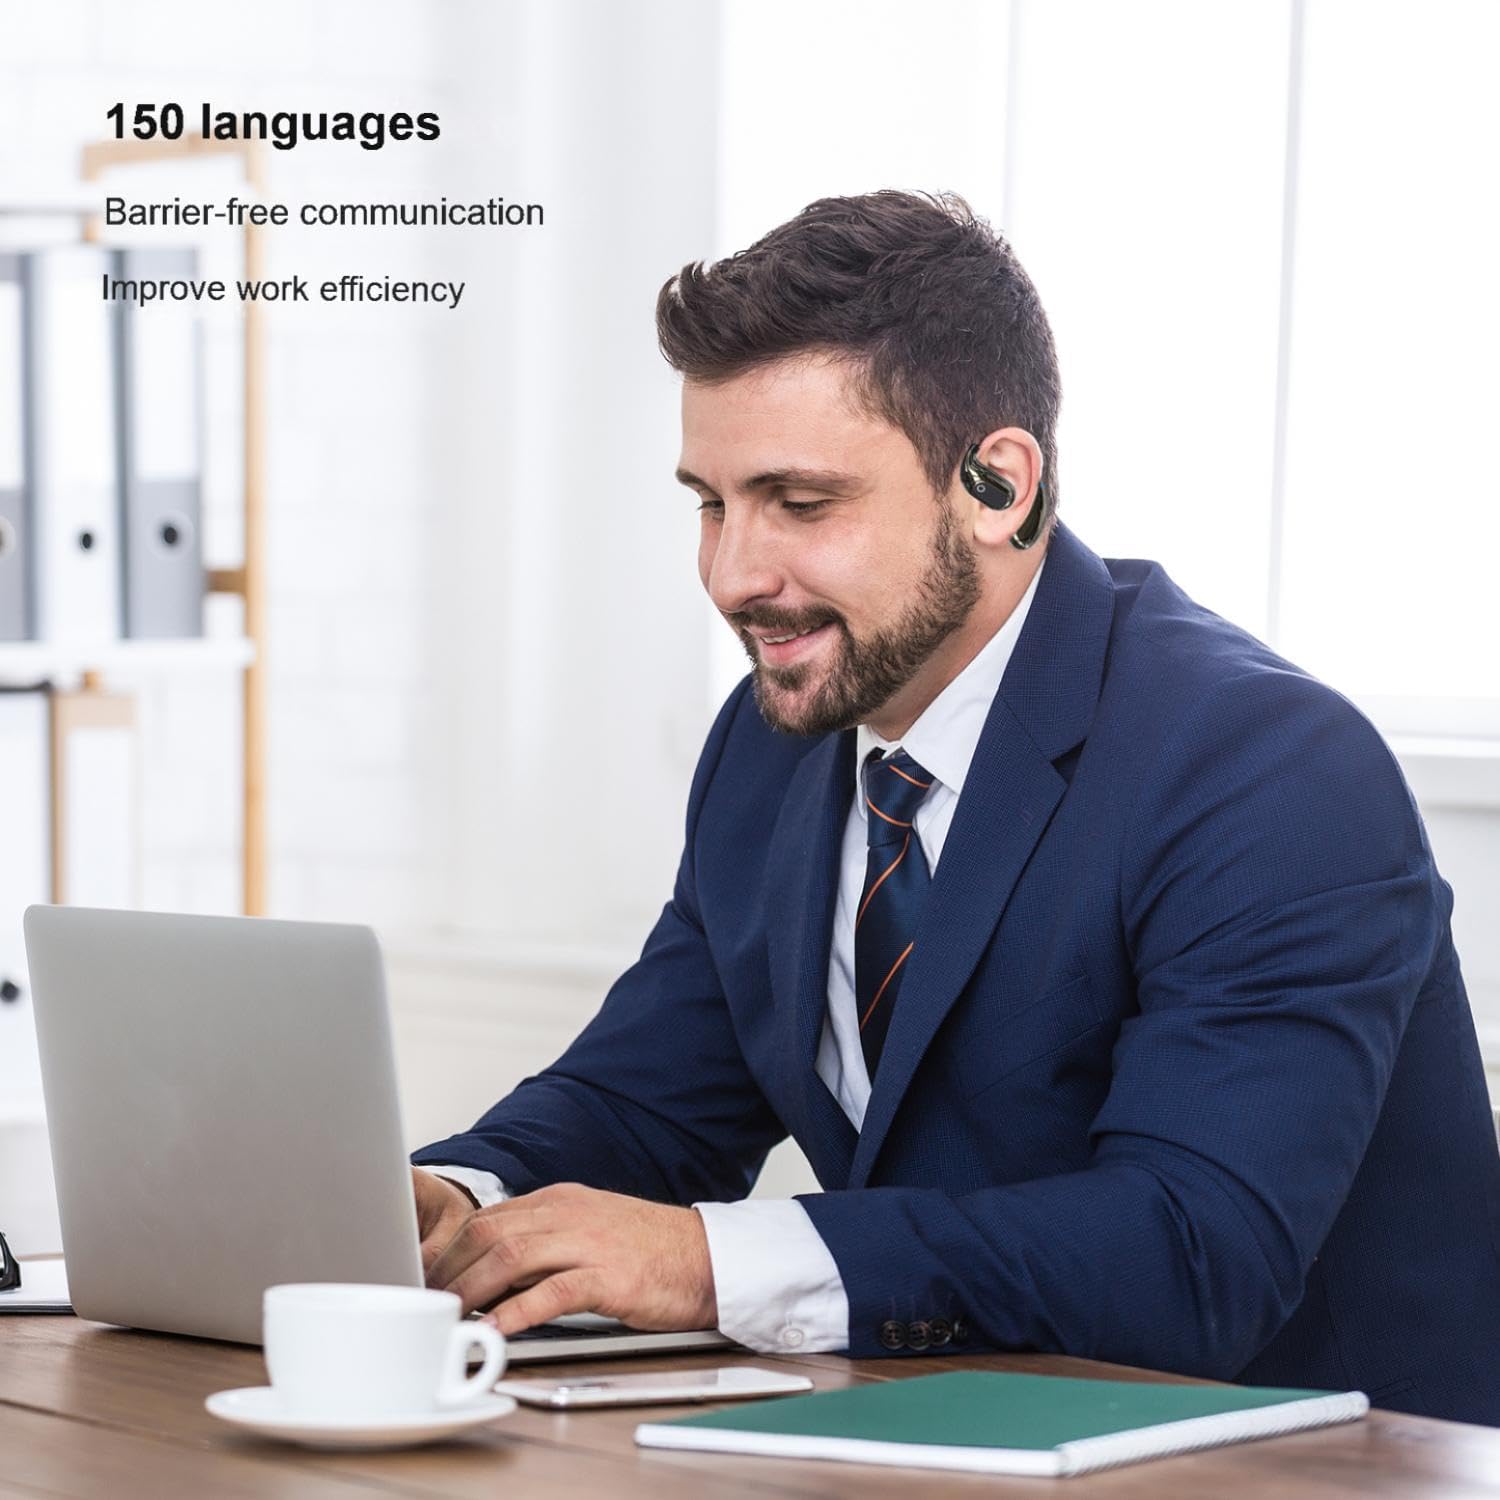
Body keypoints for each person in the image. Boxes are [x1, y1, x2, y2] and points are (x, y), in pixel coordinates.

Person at [411, 190, 1500, 1424]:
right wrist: (453, 1200)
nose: (731, 575)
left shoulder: (1269, 767)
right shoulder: (778, 741)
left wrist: (712, 1259)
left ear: (997, 485)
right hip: (950, 1433)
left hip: (1307, 1463)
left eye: (801, 504)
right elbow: (646, 1102)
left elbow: (1193, 1253)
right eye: (711, 504)